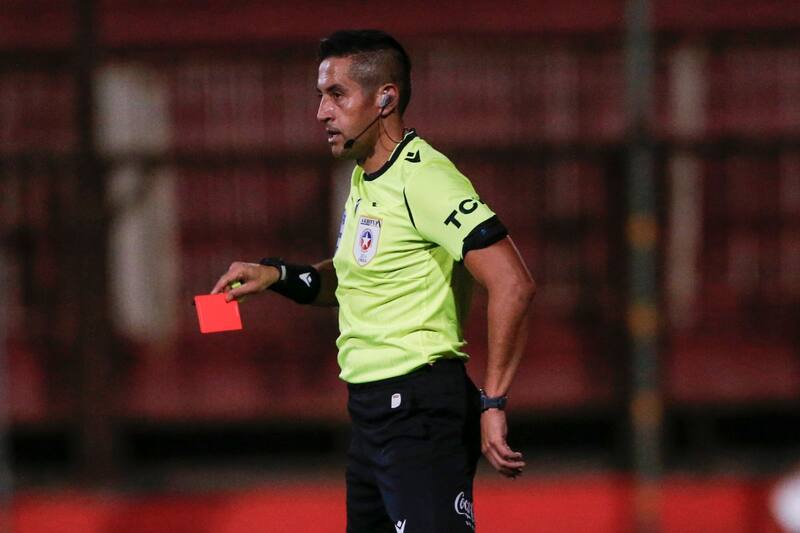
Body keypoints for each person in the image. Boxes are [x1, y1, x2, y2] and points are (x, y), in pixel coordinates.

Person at [211, 29, 535, 532]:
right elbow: (353, 281)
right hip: (371, 416)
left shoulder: (425, 178)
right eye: (320, 96)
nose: (321, 112)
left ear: (386, 97)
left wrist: (493, 402)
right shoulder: (367, 177)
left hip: (420, 413)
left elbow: (513, 282)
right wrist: (275, 275)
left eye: (336, 95)